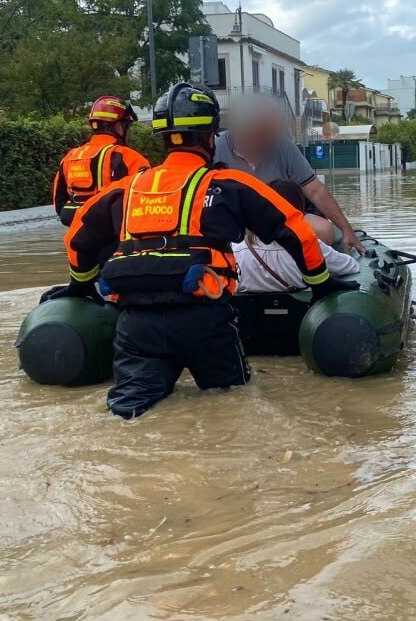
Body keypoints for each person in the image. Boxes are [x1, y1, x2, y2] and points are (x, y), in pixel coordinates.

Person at [44, 82, 358, 418]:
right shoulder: (230, 185)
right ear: (210, 137)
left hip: (137, 324)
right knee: (232, 402)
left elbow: (77, 238)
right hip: (204, 321)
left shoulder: (125, 189)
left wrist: (80, 286)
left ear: (163, 138)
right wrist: (322, 283)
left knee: (129, 410)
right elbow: (297, 232)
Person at [214, 95, 366, 253]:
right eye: (265, 133)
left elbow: (315, 190)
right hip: (234, 223)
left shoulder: (282, 145)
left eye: (274, 131)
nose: (273, 139)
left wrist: (346, 229)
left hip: (279, 221)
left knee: (324, 230)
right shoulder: (215, 149)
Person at [233, 179, 360, 293]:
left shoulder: (237, 247)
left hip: (247, 312)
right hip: (298, 313)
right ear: (298, 212)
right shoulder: (309, 246)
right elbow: (351, 266)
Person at [51, 95, 150, 226]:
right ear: (119, 126)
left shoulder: (70, 157)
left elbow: (59, 203)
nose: (129, 133)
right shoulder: (129, 157)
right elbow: (146, 205)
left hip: (79, 241)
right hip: (117, 240)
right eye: (128, 127)